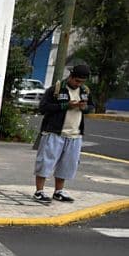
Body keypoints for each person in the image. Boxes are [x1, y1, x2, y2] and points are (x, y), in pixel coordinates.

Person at [33, 63, 95, 203]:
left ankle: (58, 191)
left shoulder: (85, 91)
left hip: (75, 134)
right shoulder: (55, 89)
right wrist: (66, 105)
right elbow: (43, 107)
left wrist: (84, 108)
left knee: (67, 164)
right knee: (45, 162)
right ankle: (39, 191)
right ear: (71, 77)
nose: (78, 84)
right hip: (54, 132)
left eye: (82, 82)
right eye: (77, 81)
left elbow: (92, 107)